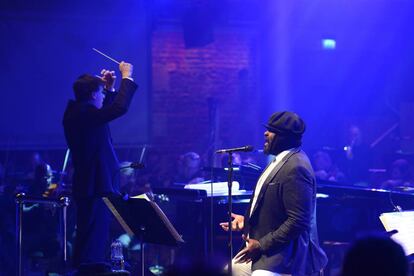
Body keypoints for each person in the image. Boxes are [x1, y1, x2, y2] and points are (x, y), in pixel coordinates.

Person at [220, 111, 327, 276]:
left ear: (284, 137)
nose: (265, 133)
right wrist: (246, 222)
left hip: (285, 258)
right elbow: (274, 209)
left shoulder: (296, 167)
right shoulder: (281, 161)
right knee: (229, 271)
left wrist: (262, 245)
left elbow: (299, 220)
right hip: (269, 254)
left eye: (271, 130)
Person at [63, 61, 137, 267]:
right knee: (91, 246)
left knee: (93, 240)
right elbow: (118, 108)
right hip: (94, 186)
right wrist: (127, 76)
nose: (104, 96)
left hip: (95, 186)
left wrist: (110, 88)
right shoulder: (82, 114)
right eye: (101, 93)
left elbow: (105, 113)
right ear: (93, 95)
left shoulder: (82, 112)